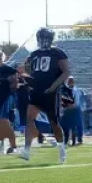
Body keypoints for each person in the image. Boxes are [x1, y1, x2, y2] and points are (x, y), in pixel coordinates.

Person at [19, 28, 69, 163]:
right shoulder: (34, 54)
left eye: (44, 37)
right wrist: (25, 76)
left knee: (54, 124)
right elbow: (30, 72)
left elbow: (66, 72)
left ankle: (62, 149)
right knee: (29, 119)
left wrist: (53, 87)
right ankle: (27, 150)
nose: (42, 40)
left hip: (51, 93)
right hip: (36, 91)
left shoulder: (57, 52)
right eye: (41, 37)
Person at [61, 76, 84, 146]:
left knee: (74, 126)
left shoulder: (76, 91)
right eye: (69, 81)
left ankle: (75, 140)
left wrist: (67, 106)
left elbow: (76, 103)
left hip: (74, 110)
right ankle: (66, 140)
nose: (70, 82)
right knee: (66, 126)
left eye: (71, 81)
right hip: (67, 110)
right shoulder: (65, 90)